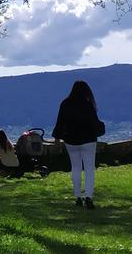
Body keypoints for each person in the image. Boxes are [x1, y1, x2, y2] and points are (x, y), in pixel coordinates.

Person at [52, 80, 105, 209]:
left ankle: (78, 196)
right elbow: (94, 122)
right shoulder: (88, 104)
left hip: (71, 140)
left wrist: (57, 138)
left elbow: (60, 122)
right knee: (89, 169)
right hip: (88, 140)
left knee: (75, 168)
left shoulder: (65, 104)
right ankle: (89, 197)